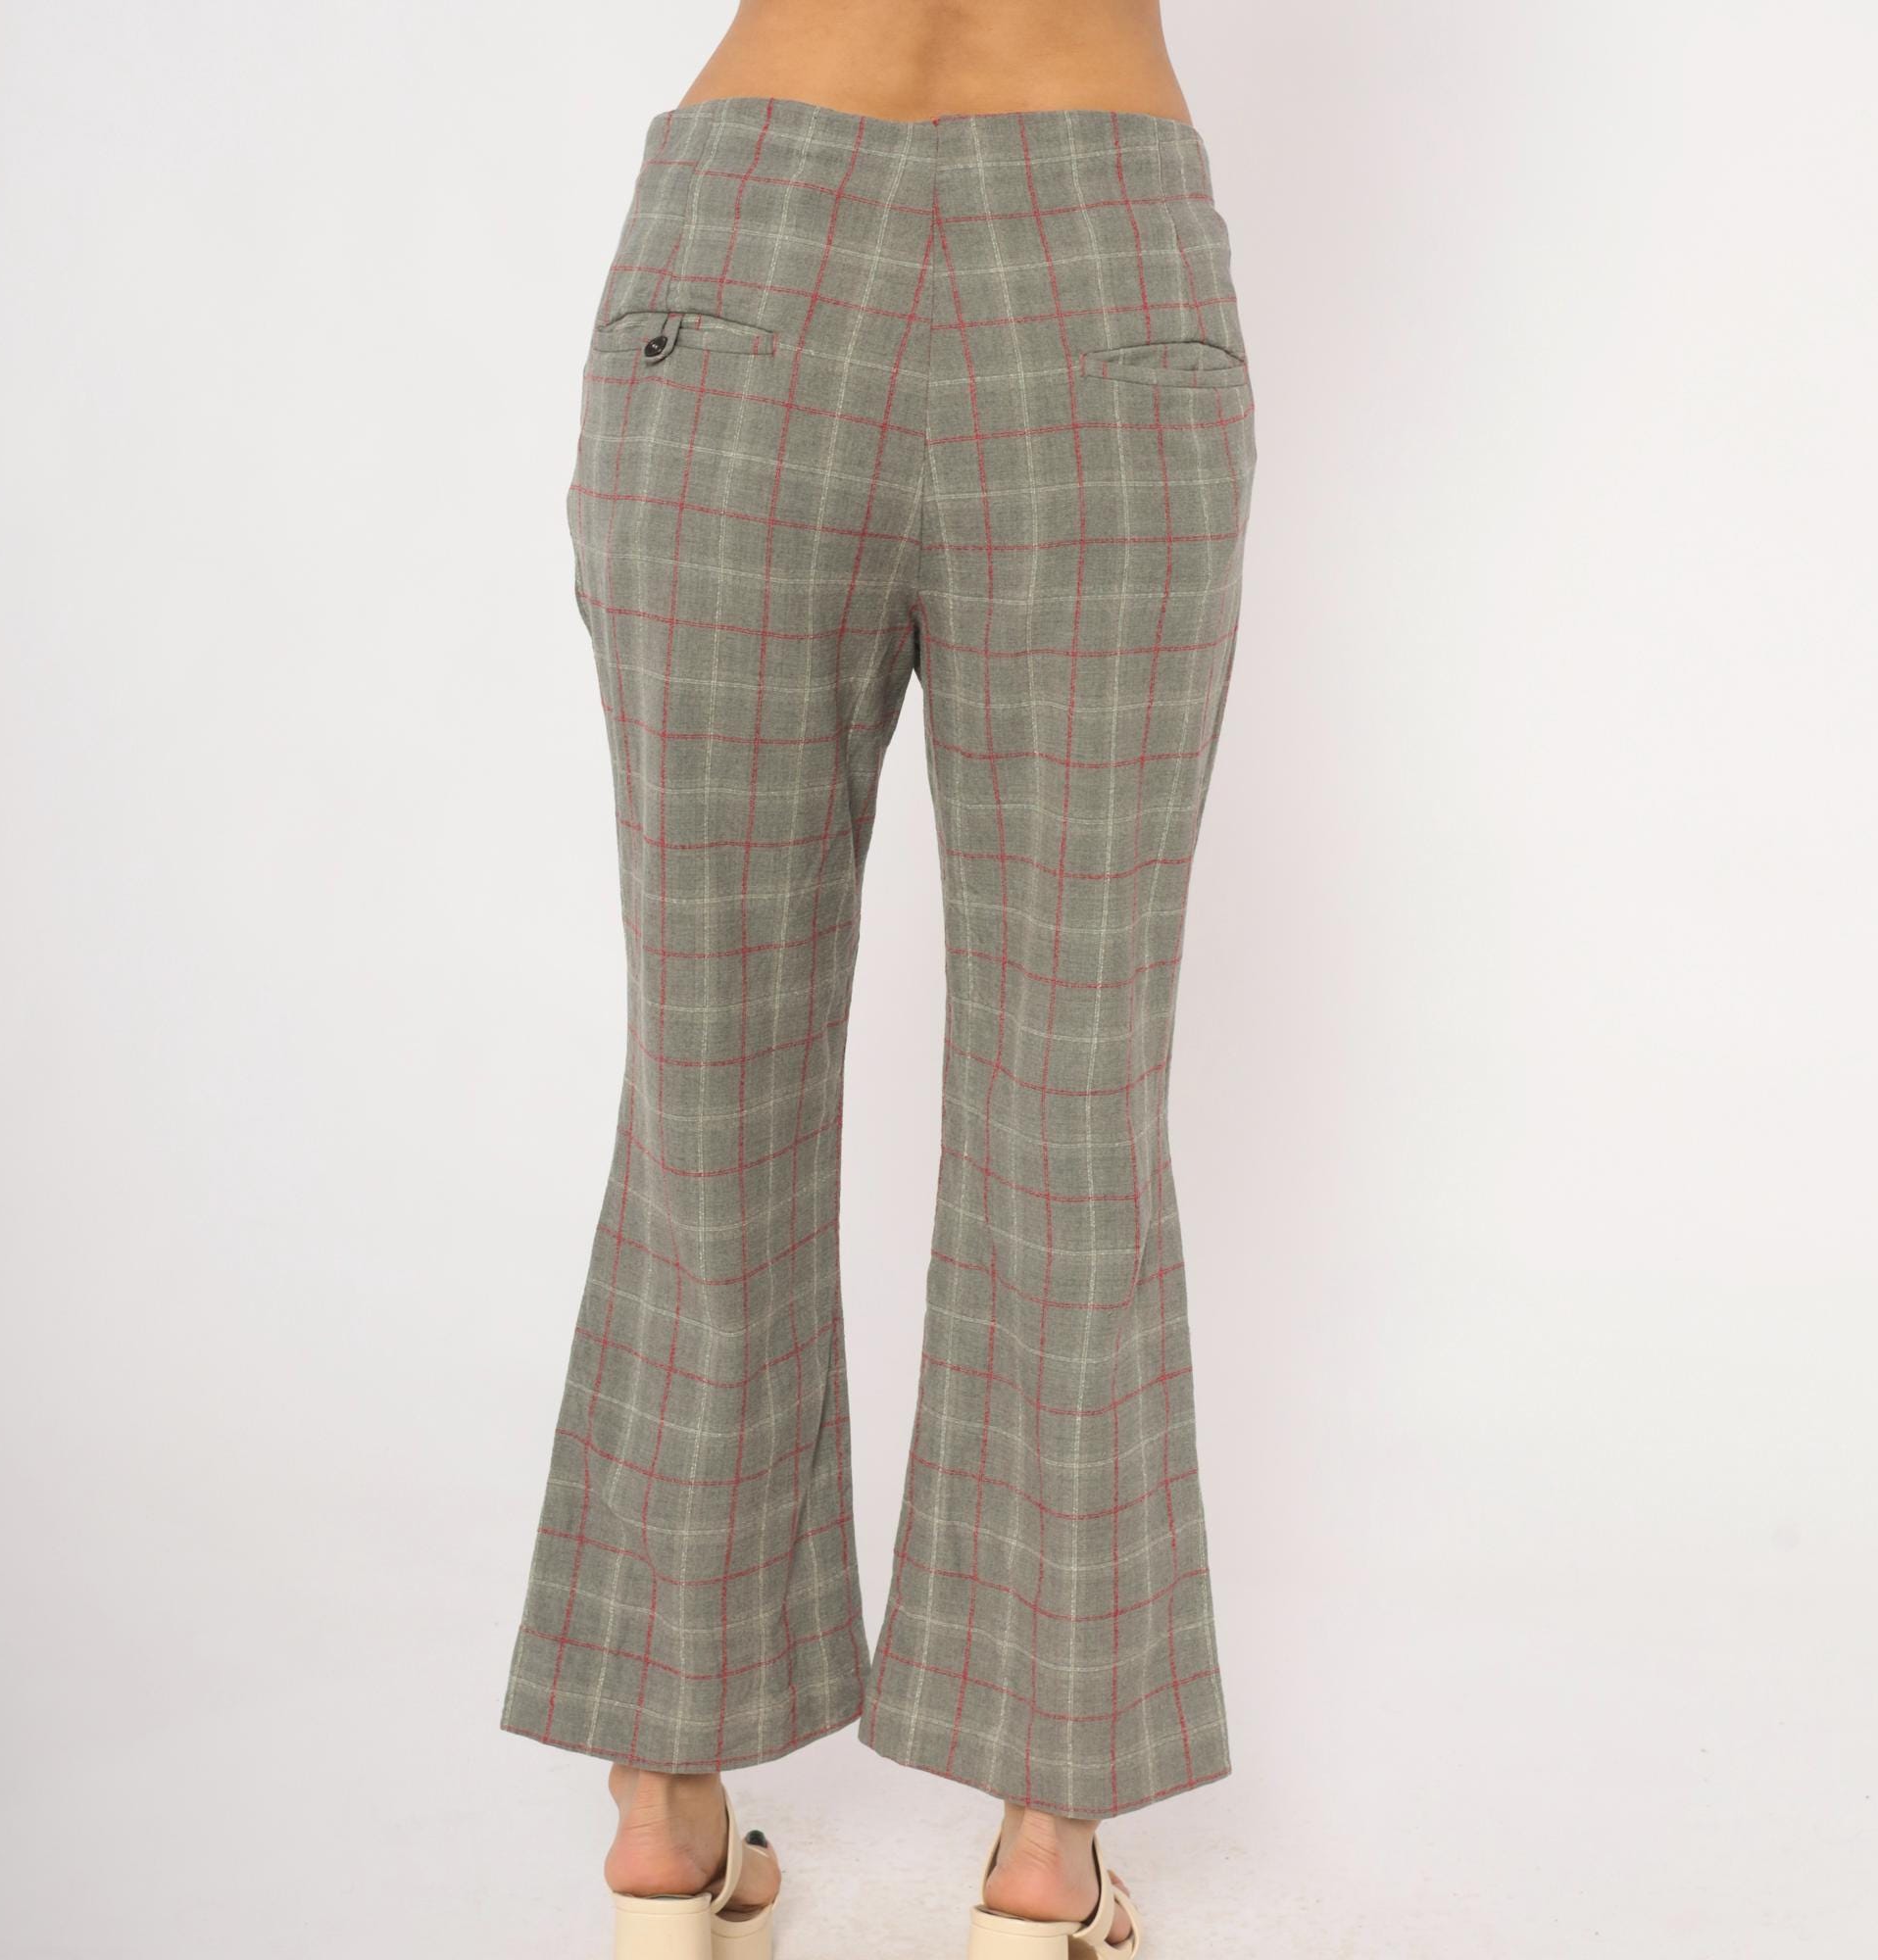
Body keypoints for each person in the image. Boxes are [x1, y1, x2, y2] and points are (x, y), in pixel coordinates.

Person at [502, 3, 1256, 1952]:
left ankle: (665, 1818)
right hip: (1096, 253)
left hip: (754, 240)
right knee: (1073, 1101)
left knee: (710, 1077)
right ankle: (1040, 1859)